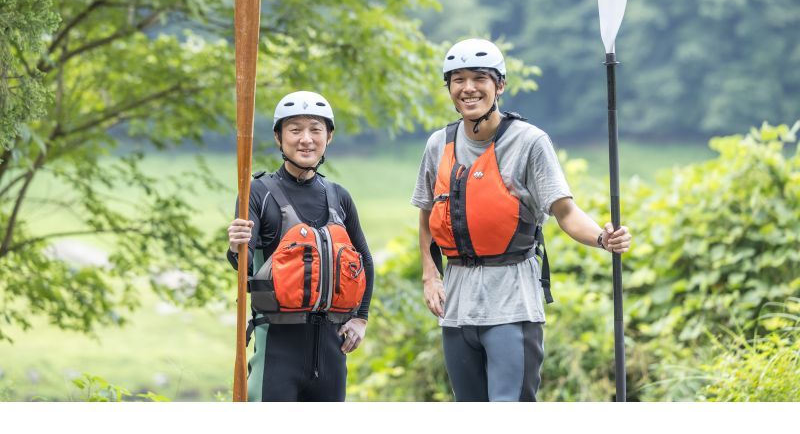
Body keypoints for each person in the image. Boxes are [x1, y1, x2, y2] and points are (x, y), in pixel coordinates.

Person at [412, 38, 632, 402]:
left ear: (500, 85)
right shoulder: (439, 144)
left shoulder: (529, 142)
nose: (468, 88)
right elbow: (426, 211)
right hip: (457, 307)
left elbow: (566, 212)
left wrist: (602, 238)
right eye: (458, 79)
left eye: (479, 78)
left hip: (512, 304)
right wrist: (429, 274)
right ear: (449, 87)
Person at [226, 91, 374, 402]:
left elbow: (365, 262)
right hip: (278, 350)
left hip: (332, 352)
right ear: (279, 138)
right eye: (295, 130)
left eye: (315, 129)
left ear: (328, 137)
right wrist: (235, 245)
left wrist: (360, 318)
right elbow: (243, 263)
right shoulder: (257, 192)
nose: (305, 139)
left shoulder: (339, 197)